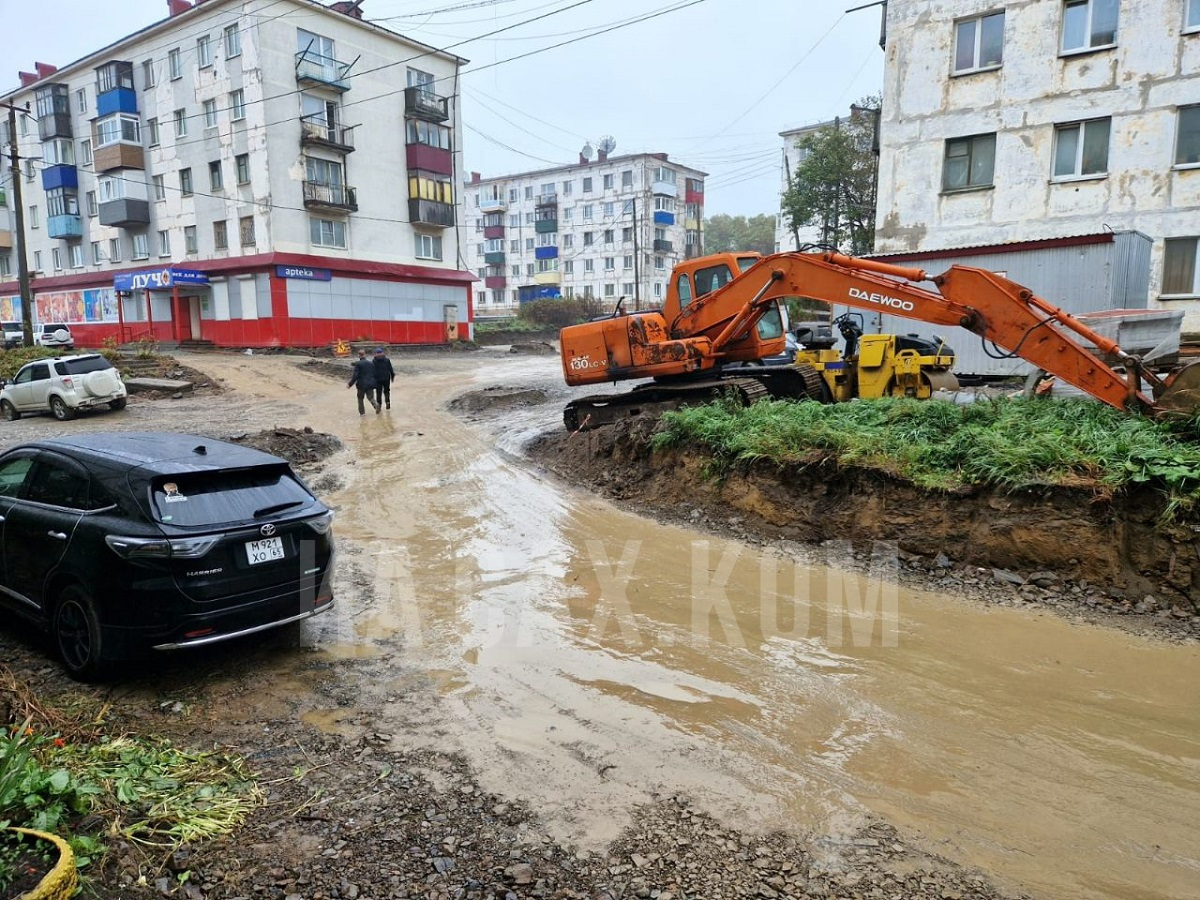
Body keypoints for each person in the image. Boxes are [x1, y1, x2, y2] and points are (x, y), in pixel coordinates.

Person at [347, 349, 380, 415]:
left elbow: (355, 376)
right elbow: (375, 374)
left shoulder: (358, 364)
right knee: (371, 398)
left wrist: (350, 384)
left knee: (360, 399)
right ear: (365, 354)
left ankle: (362, 414)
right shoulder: (371, 363)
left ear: (359, 355)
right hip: (370, 384)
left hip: (361, 385)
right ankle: (376, 405)